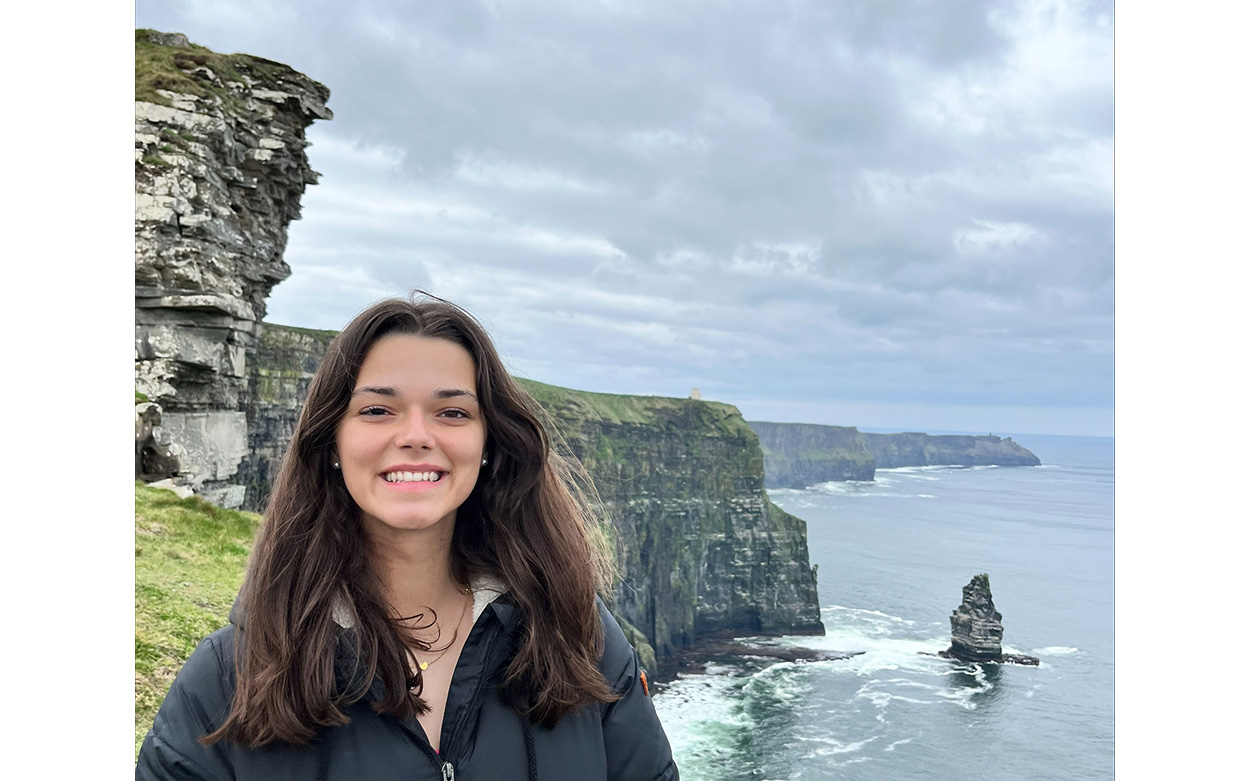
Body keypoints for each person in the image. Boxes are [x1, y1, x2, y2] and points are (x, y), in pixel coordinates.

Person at [136, 294, 679, 780]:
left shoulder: (579, 637)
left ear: (488, 444)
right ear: (331, 441)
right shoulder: (228, 678)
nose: (416, 436)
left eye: (452, 411)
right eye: (377, 410)